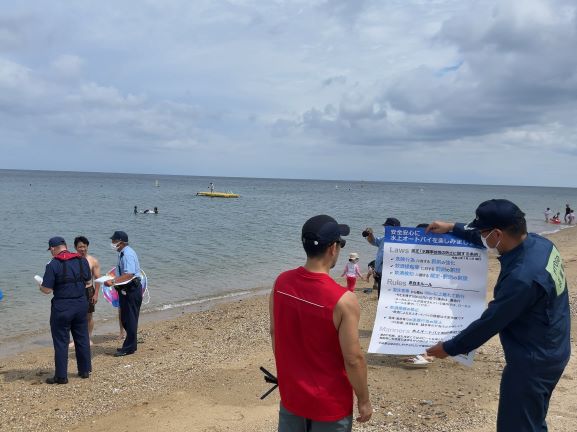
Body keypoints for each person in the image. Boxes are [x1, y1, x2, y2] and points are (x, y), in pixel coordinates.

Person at [425, 199, 570, 432]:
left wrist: (450, 348)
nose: (481, 237)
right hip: (553, 344)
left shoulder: (522, 278)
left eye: (483, 232)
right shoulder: (542, 244)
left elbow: (490, 322)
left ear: (498, 233)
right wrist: (452, 227)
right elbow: (487, 240)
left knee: (517, 425)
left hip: (532, 360)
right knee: (532, 417)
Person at [270, 215, 372, 431]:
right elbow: (353, 359)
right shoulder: (344, 300)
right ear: (333, 248)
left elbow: (275, 334)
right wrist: (363, 399)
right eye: (340, 244)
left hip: (292, 396)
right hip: (330, 404)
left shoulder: (281, 283)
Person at [38, 237, 92, 384]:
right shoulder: (82, 260)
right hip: (81, 304)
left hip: (62, 307)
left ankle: (61, 376)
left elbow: (47, 289)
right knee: (82, 337)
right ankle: (84, 370)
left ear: (54, 249)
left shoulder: (53, 264)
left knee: (61, 341)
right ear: (66, 246)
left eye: (51, 250)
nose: (51, 253)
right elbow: (88, 282)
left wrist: (40, 286)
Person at [104, 231, 143, 357]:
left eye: (113, 241)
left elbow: (129, 274)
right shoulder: (123, 253)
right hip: (126, 289)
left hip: (131, 289)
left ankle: (128, 347)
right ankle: (131, 345)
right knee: (127, 318)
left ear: (120, 242)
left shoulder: (127, 254)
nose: (112, 243)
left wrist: (113, 281)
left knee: (129, 319)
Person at [363, 217, 401, 298]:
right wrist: (370, 234)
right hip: (379, 275)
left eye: (387, 227)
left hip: (392, 276)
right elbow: (373, 241)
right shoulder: (384, 239)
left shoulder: (402, 241)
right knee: (381, 299)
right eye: (385, 227)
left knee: (390, 298)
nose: (385, 228)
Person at [74, 236, 101, 346]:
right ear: (75, 247)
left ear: (87, 247)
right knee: (75, 316)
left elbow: (97, 278)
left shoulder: (93, 261)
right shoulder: (72, 259)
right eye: (80, 247)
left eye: (84, 247)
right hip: (75, 291)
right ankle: (76, 339)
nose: (82, 249)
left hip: (88, 289)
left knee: (89, 316)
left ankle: (88, 337)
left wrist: (96, 294)